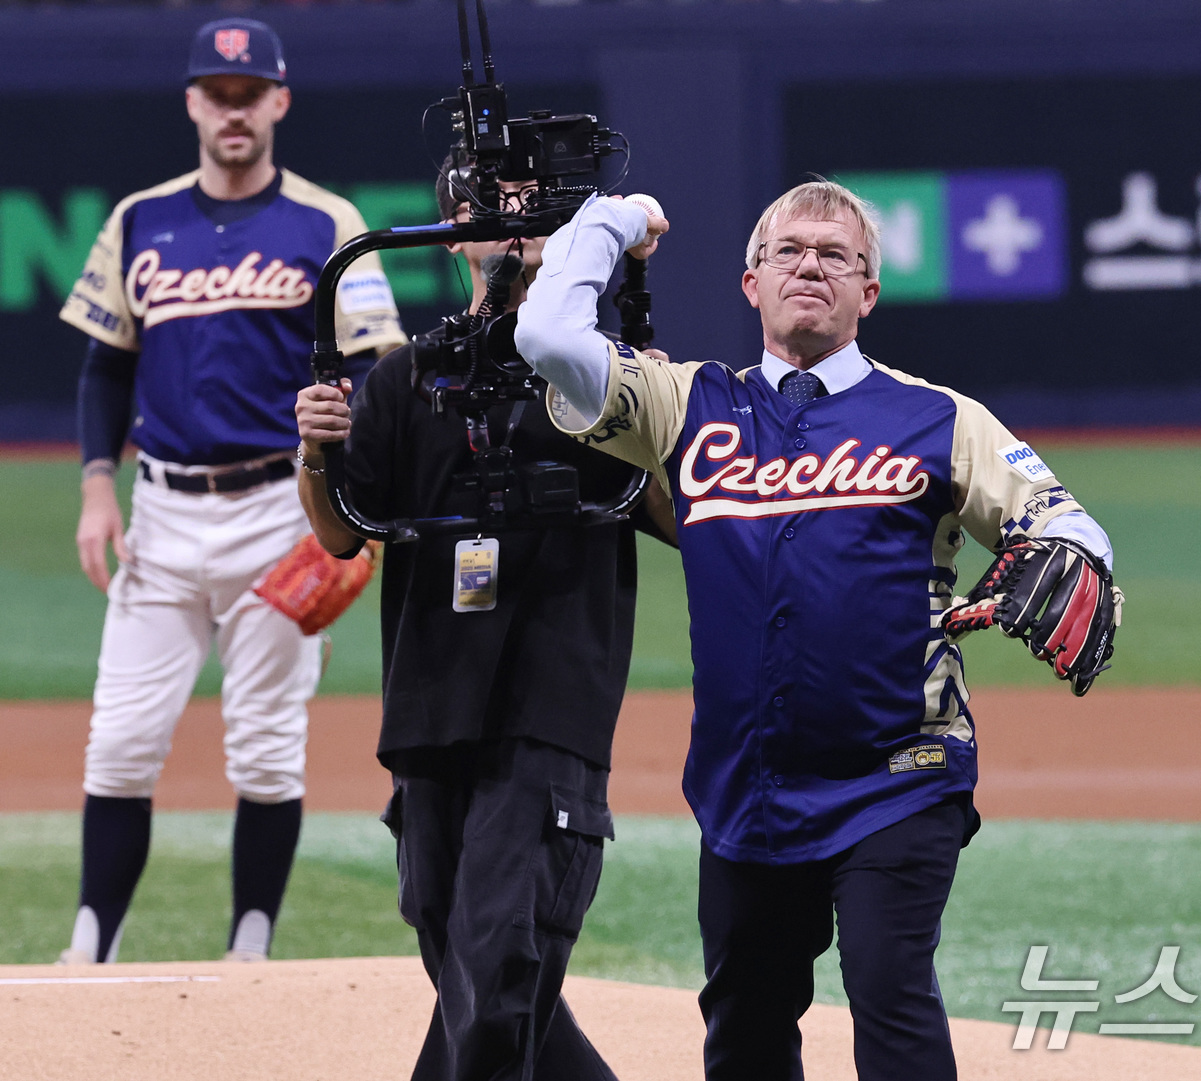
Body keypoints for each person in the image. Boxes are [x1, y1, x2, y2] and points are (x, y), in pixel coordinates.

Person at [514, 180, 1116, 1080]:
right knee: (747, 1033)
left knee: (891, 994)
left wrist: (1066, 552)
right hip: (745, 788)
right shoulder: (687, 406)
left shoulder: (938, 419)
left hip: (900, 776)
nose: (810, 267)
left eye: (836, 256)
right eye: (788, 252)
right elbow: (547, 337)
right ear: (749, 282)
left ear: (867, 294)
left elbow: (1068, 522)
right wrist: (616, 218)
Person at [294, 167, 672, 1081]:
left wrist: (656, 417)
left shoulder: (605, 380)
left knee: (499, 972)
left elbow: (678, 516)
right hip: (428, 716)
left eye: (534, 198)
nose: (511, 220)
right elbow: (342, 531)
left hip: (551, 709)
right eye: (487, 206)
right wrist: (316, 452)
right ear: (453, 235)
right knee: (469, 962)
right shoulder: (402, 379)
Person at [56, 17, 406, 965]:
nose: (235, 108)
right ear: (192, 103)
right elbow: (104, 369)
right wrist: (99, 486)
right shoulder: (140, 217)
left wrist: (349, 504)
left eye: (251, 92)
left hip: (277, 509)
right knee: (120, 742)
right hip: (163, 511)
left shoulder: (326, 223)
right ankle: (90, 946)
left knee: (262, 748)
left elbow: (379, 371)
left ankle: (248, 952)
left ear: (280, 100)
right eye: (219, 91)